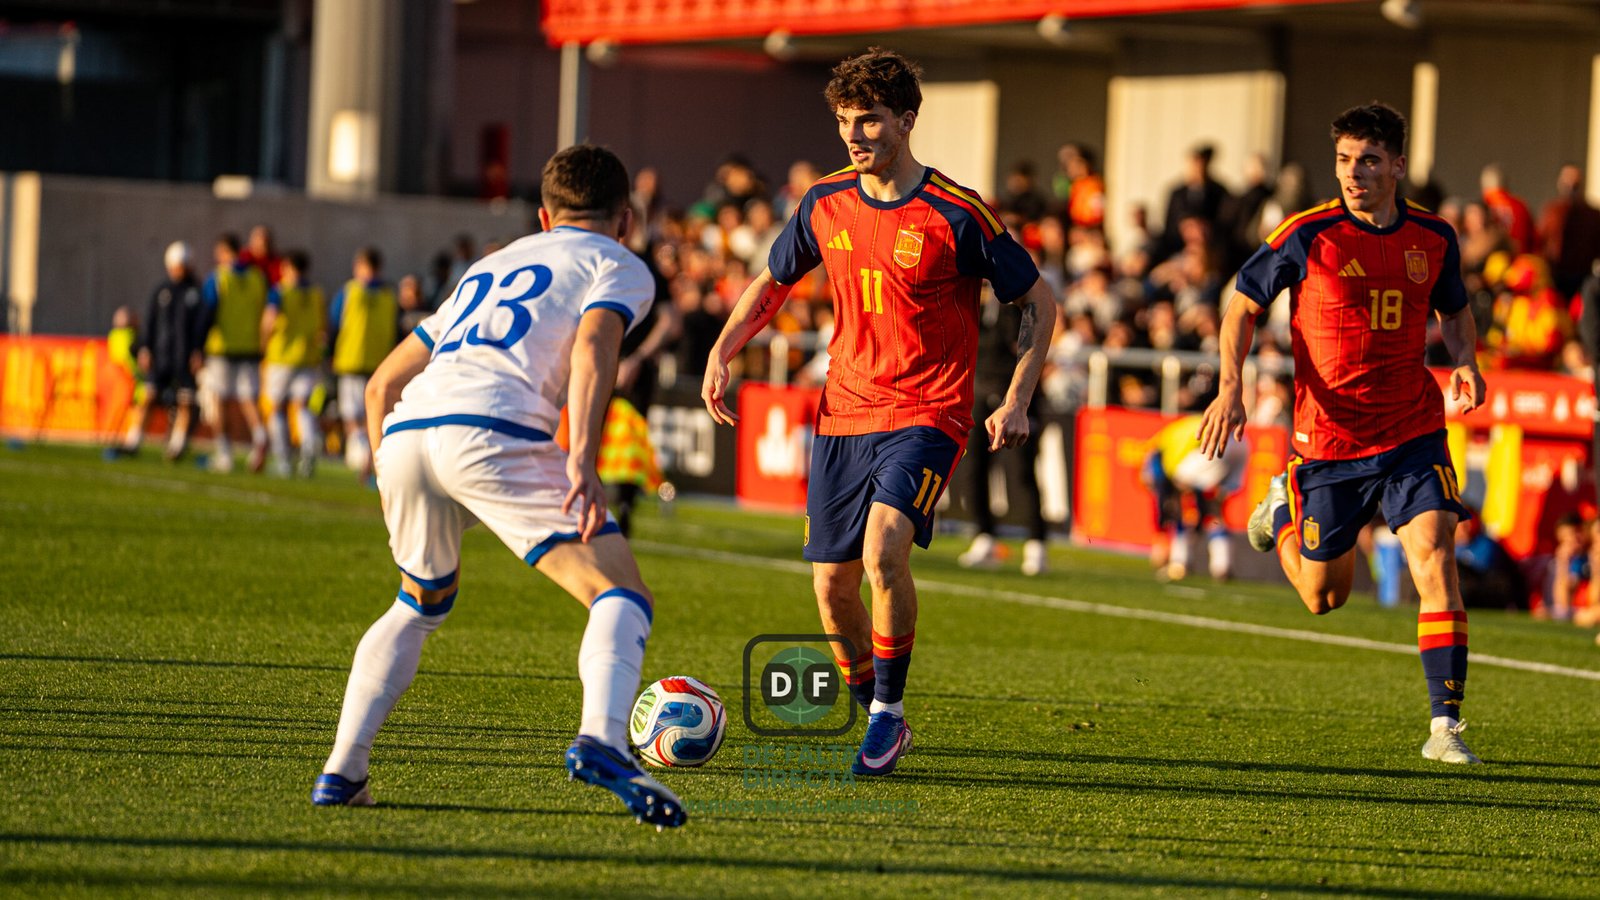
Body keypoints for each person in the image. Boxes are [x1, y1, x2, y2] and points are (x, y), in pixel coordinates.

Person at [701, 48, 1056, 777]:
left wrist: (1018, 395)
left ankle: (887, 718)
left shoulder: (958, 212)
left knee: (882, 550)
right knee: (831, 588)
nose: (854, 134)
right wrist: (723, 348)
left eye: (868, 119)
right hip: (843, 410)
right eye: (843, 121)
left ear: (906, 120)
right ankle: (874, 708)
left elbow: (1040, 304)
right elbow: (773, 283)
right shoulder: (823, 201)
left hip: (930, 409)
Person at [311, 144, 685, 828]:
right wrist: (583, 457)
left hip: (407, 431)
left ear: (544, 216)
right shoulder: (618, 264)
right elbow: (596, 347)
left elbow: (380, 384)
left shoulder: (491, 262)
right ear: (626, 220)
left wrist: (383, 467)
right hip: (492, 431)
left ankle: (343, 770)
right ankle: (602, 740)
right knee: (622, 594)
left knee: (418, 603)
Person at [1198, 102, 1488, 764]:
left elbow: (1456, 311)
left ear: (1398, 166)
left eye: (1368, 161)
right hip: (1328, 441)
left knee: (1434, 551)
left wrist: (1466, 361)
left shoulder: (1434, 237)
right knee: (1324, 597)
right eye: (1344, 161)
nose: (1354, 174)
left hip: (1413, 429)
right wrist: (1230, 386)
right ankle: (1285, 510)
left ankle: (1446, 726)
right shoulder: (1308, 234)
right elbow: (1241, 305)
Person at [957, 292, 1051, 576]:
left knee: (1020, 471)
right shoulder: (973, 303)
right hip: (978, 392)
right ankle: (984, 535)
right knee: (973, 468)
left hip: (1015, 396)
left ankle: (1036, 543)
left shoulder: (1018, 302)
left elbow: (1027, 343)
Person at [116, 243, 207, 460]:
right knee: (148, 396)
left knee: (186, 401)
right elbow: (150, 322)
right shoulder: (162, 291)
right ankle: (133, 440)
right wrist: (145, 348)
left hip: (184, 357)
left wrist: (198, 351)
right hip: (162, 355)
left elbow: (202, 326)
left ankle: (176, 446)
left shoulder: (195, 293)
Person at [1142, 414, 1246, 581]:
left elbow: (1161, 489)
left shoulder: (1157, 455)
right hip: (1240, 442)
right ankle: (1222, 565)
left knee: (1184, 505)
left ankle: (1180, 561)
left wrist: (1160, 538)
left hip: (1214, 442)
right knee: (1215, 509)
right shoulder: (1172, 433)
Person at [200, 233, 272, 473]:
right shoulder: (257, 278)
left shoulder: (219, 278)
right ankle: (260, 436)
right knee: (248, 399)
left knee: (219, 399)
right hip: (250, 347)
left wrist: (197, 346)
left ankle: (224, 452)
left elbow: (207, 313)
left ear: (223, 251)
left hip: (223, 347)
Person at [329, 247, 399, 482]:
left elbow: (334, 324)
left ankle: (360, 457)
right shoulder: (390, 295)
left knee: (352, 417)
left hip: (351, 360)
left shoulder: (350, 291)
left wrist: (330, 352)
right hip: (380, 363)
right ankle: (369, 463)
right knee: (374, 416)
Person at [261, 250, 326, 477]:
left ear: (287, 267)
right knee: (302, 408)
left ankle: (283, 460)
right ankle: (308, 449)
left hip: (281, 357)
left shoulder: (280, 292)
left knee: (276, 409)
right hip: (307, 357)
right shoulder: (316, 294)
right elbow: (323, 327)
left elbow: (269, 320)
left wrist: (263, 344)